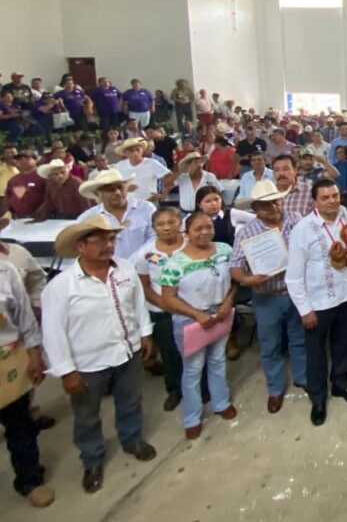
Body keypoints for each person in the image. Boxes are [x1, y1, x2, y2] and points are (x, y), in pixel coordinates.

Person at [41, 216, 157, 493]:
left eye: (112, 239)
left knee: (131, 401)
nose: (108, 245)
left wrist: (145, 333)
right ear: (80, 246)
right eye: (100, 240)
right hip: (88, 364)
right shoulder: (61, 287)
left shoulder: (125, 268)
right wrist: (66, 371)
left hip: (127, 352)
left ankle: (132, 439)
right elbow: (53, 333)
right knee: (87, 415)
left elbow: (138, 303)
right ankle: (92, 459)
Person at [286, 179, 347, 426]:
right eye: (325, 197)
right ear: (315, 201)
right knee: (316, 353)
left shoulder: (343, 215)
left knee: (343, 343)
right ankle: (318, 398)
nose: (332, 201)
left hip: (346, 296)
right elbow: (293, 277)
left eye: (335, 196)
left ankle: (341, 384)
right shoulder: (303, 229)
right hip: (318, 304)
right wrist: (304, 310)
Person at [158, 212, 237, 439]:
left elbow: (234, 280)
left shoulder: (224, 250)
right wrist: (196, 314)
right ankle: (192, 417)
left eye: (208, 227)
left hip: (220, 314)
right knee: (193, 369)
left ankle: (221, 402)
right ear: (187, 233)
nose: (204, 232)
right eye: (198, 229)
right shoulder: (175, 263)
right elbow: (168, 299)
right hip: (191, 320)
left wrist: (228, 301)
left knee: (218, 360)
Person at [230, 180, 306, 414]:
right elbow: (235, 267)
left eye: (276, 201)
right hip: (266, 296)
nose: (273, 207)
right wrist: (247, 280)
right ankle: (275, 388)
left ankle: (302, 376)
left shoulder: (296, 219)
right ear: (255, 208)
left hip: (296, 292)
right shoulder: (247, 232)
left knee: (299, 337)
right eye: (266, 205)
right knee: (270, 344)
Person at [0, 261, 52, 508]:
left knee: (20, 425)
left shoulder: (5, 271)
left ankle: (30, 479)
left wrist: (34, 354)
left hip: (8, 361)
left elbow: (24, 318)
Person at [130, 207, 186, 412]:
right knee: (170, 352)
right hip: (161, 310)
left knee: (195, 350)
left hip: (191, 309)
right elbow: (144, 285)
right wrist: (166, 304)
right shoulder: (145, 254)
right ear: (153, 228)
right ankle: (175, 389)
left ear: (180, 223)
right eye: (160, 224)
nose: (167, 227)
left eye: (171, 222)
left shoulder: (192, 244)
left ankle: (202, 386)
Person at [77, 169, 157, 261]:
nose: (117, 192)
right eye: (110, 189)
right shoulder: (88, 218)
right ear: (98, 193)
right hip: (106, 267)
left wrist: (138, 260)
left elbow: (155, 237)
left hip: (145, 264)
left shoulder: (146, 208)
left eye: (120, 187)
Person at [114, 137, 170, 204]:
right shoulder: (120, 165)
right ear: (125, 153)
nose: (135, 153)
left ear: (142, 150)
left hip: (149, 202)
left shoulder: (152, 163)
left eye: (138, 150)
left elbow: (170, 177)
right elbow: (114, 184)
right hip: (127, 204)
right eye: (131, 150)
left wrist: (162, 195)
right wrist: (125, 188)